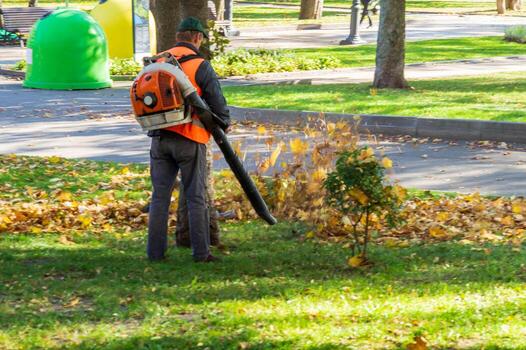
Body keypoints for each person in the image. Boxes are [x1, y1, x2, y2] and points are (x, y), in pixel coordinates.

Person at [147, 17, 231, 262]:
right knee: (196, 197)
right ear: (197, 37)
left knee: (160, 198)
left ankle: (155, 254)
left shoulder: (157, 61)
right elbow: (218, 105)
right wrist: (223, 125)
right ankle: (201, 253)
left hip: (159, 137)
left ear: (178, 37)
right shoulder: (199, 65)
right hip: (190, 138)